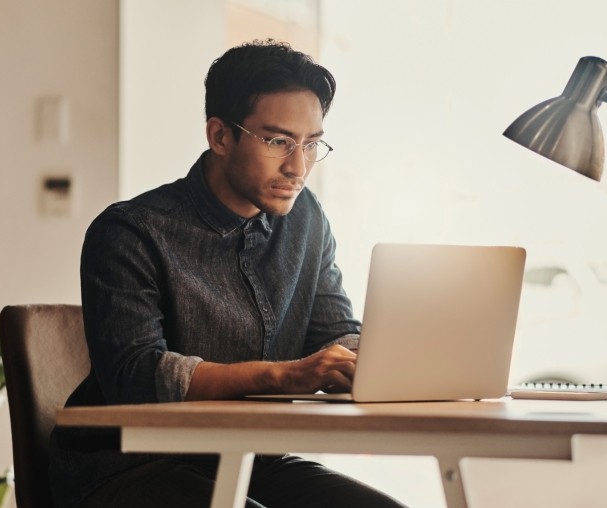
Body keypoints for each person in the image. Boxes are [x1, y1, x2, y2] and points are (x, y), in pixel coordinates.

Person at [50, 39, 406, 508]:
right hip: (127, 466)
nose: (298, 167)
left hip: (253, 458)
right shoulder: (130, 231)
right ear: (220, 136)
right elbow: (137, 377)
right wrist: (283, 377)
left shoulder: (306, 220)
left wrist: (391, 359)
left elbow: (334, 334)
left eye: (312, 144)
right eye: (278, 141)